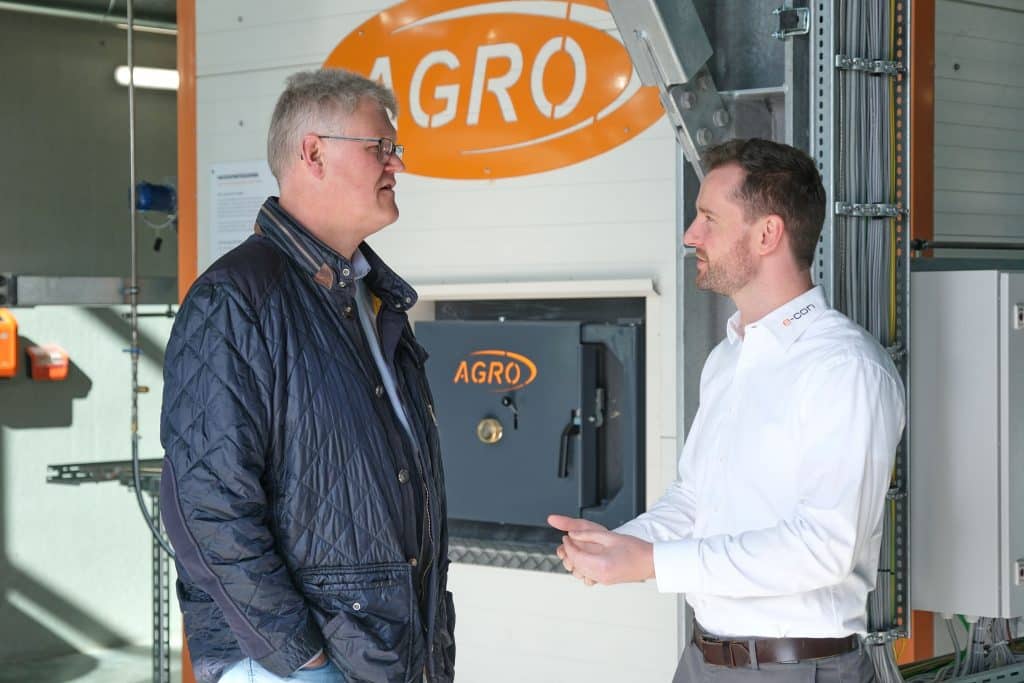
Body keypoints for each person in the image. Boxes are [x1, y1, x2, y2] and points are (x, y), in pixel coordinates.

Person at [549, 138, 904, 682]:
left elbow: (824, 547)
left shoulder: (844, 368)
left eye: (708, 219)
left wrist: (652, 563)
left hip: (797, 669)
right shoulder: (728, 358)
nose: (690, 235)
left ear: (767, 234)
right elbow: (695, 499)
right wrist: (625, 544)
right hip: (703, 660)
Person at [160, 69, 454, 683]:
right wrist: (303, 660)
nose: (397, 164)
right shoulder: (235, 300)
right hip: (291, 664)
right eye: (380, 147)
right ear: (313, 153)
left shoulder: (372, 299)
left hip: (385, 657)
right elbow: (207, 506)